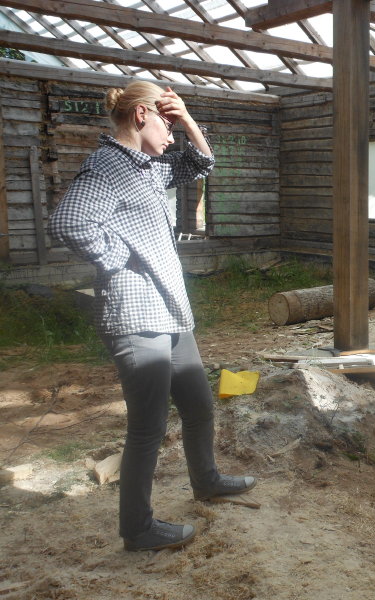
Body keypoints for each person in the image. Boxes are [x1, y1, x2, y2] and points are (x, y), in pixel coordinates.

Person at [48, 81, 255, 551]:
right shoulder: (108, 166)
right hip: (136, 315)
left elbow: (201, 163)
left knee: (199, 406)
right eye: (167, 124)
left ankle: (206, 480)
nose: (171, 135)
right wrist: (121, 258)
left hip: (169, 313)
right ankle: (138, 529)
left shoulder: (145, 167)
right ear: (141, 115)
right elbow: (69, 222)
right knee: (148, 427)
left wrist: (187, 119)